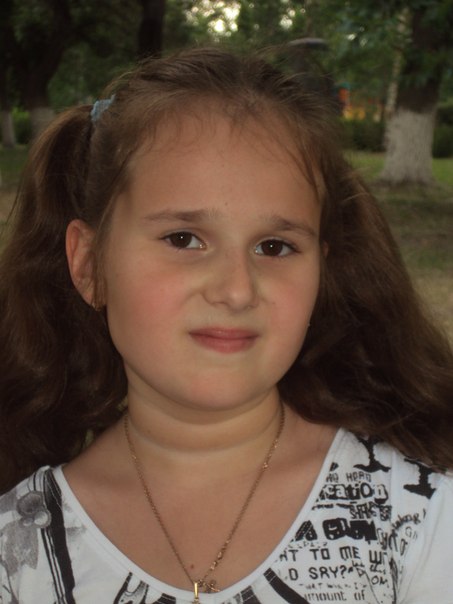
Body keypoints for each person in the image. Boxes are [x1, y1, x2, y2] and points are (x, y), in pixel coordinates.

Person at [0, 47, 452, 604]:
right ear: (90, 265)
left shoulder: (420, 516)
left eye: (274, 247)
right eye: (184, 239)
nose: (237, 290)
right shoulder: (17, 555)